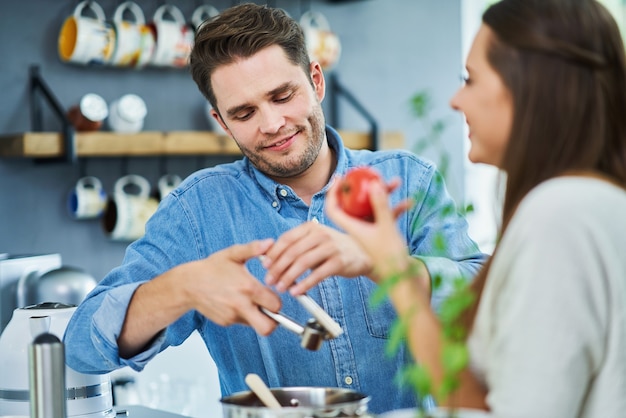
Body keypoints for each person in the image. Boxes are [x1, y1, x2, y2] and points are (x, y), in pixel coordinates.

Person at [63, 3, 486, 414]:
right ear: (221, 122)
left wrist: (383, 264)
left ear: (316, 81)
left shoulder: (408, 180)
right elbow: (83, 346)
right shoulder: (196, 212)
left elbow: (488, 306)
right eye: (244, 113)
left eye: (283, 95)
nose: (271, 124)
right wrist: (181, 287)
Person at [325, 0, 626, 416]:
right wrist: (392, 264)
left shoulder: (561, 215)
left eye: (470, 80)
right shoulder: (588, 203)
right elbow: (474, 400)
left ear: (529, 87)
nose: (455, 100)